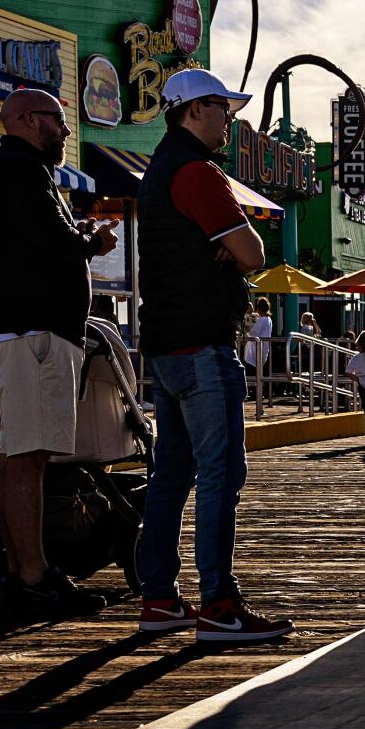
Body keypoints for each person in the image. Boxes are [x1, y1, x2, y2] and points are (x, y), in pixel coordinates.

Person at [133, 67, 294, 643]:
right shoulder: (199, 172)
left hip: (167, 343)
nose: (232, 119)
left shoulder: (158, 170)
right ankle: (219, 604)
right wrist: (229, 248)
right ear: (196, 109)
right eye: (224, 108)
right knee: (221, 472)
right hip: (203, 343)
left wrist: (225, 248)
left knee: (172, 473)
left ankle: (159, 597)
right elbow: (251, 252)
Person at [0, 87, 115, 614]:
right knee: (28, 456)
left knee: (19, 454)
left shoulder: (15, 174)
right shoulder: (21, 172)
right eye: (59, 121)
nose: (65, 131)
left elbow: (37, 238)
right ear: (30, 121)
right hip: (35, 336)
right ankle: (33, 575)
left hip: (27, 333)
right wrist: (92, 244)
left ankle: (20, 570)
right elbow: (53, 241)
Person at [244, 294, 273, 384]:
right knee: (259, 371)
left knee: (252, 372)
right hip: (263, 348)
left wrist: (246, 329)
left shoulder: (262, 320)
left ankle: (255, 391)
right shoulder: (268, 319)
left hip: (255, 350)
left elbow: (253, 332)